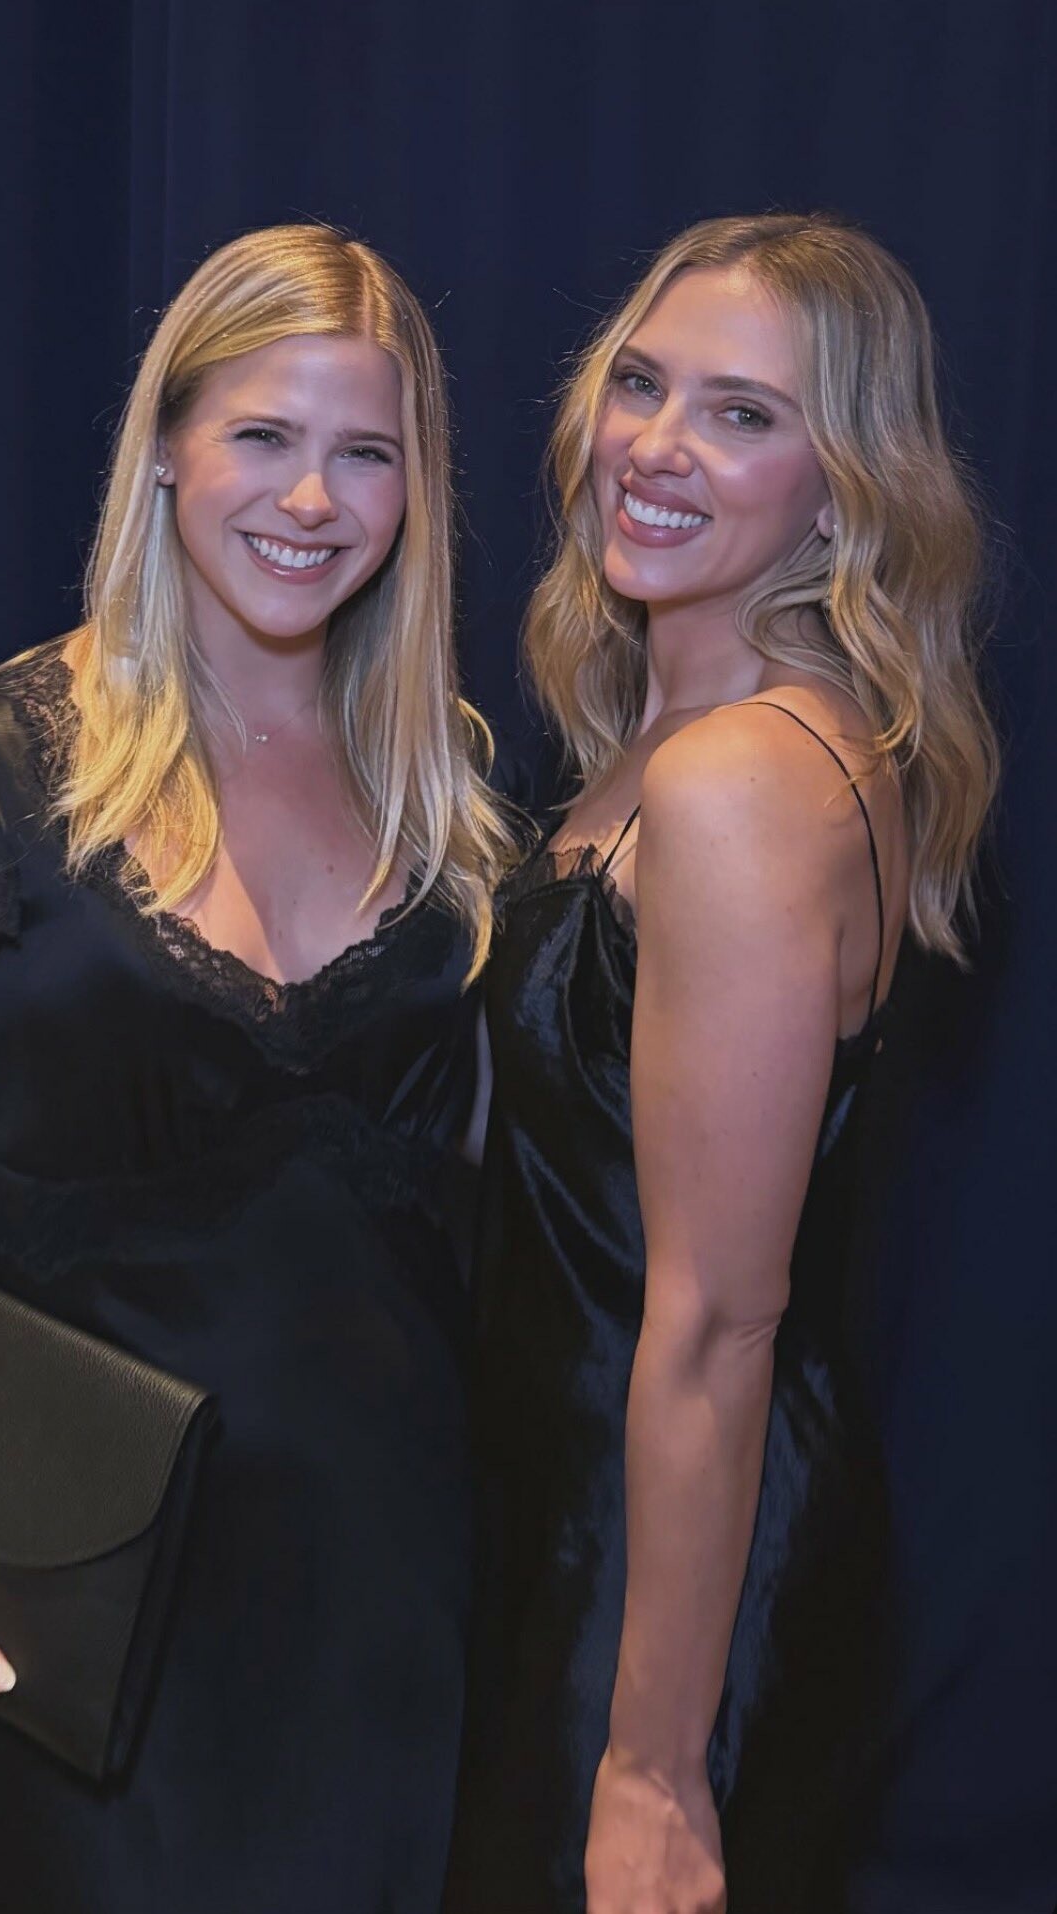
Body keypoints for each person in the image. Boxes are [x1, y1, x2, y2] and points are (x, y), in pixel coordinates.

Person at [0, 222, 513, 1914]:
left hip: (373, 1632)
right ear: (166, 445)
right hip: (54, 1615)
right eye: (262, 434)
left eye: (365, 453)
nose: (311, 498)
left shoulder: (448, 808)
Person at [443, 213, 998, 1914]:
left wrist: (651, 1764)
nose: (658, 444)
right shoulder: (661, 740)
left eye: (742, 413)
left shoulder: (743, 778)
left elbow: (713, 1317)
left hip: (660, 1577)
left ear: (841, 490)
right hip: (575, 1518)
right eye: (640, 384)